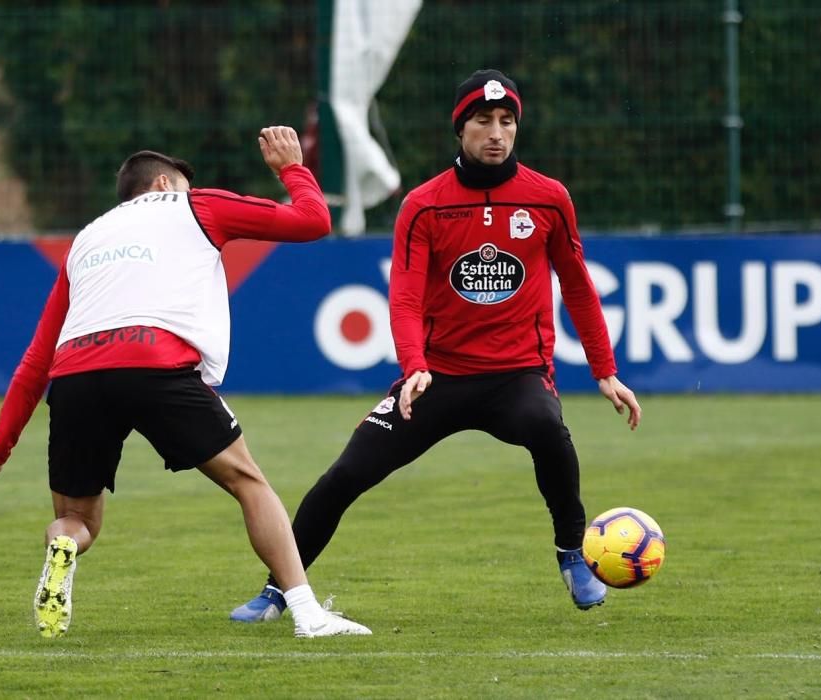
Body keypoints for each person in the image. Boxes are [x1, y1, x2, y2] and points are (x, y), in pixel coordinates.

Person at [230, 70, 642, 624]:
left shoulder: (549, 199)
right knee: (346, 475)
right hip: (437, 377)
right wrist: (415, 367)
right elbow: (403, 297)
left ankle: (572, 554)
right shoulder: (424, 205)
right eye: (482, 121)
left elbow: (578, 285)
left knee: (547, 427)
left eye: (506, 121)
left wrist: (605, 370)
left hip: (517, 375)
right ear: (460, 128)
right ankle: (280, 589)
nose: (496, 133)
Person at [0, 126, 371, 639]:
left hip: (76, 374)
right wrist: (291, 169)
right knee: (248, 481)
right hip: (155, 361)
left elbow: (36, 358)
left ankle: (62, 549)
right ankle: (307, 613)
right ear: (166, 184)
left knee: (77, 520)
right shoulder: (195, 206)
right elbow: (313, 221)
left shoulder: (85, 240)